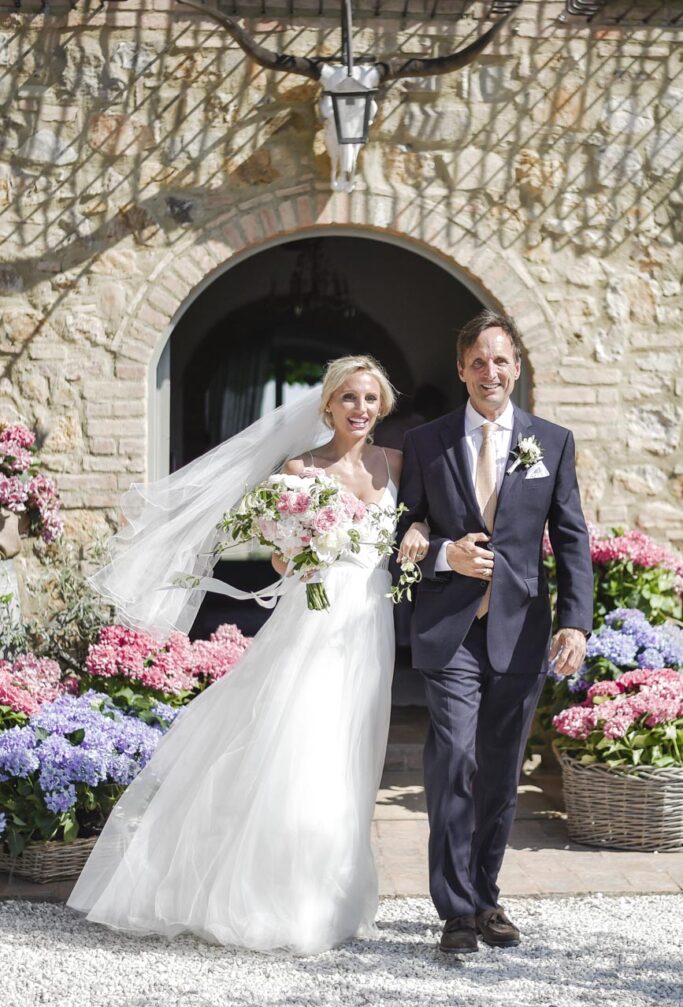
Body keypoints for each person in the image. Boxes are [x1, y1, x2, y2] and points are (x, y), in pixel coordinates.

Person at [67, 355, 429, 956]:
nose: (359, 409)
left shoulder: (397, 466)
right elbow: (281, 565)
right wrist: (303, 543)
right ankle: (278, 900)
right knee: (298, 742)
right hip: (312, 622)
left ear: (382, 406)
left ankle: (334, 894)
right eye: (348, 399)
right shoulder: (300, 469)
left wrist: (418, 534)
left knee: (353, 748)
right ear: (328, 406)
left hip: (368, 627)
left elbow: (422, 529)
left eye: (369, 399)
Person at [397, 310, 593, 954]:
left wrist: (575, 622)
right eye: (477, 361)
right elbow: (404, 533)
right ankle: (455, 910)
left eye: (500, 360)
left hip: (522, 631)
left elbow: (570, 538)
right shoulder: (426, 443)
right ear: (461, 369)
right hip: (450, 629)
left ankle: (485, 896)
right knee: (454, 759)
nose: (490, 372)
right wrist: (440, 552)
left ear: (516, 367)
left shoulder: (553, 442)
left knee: (501, 772)